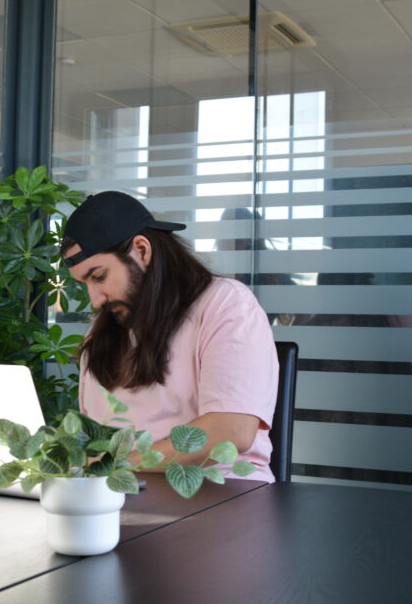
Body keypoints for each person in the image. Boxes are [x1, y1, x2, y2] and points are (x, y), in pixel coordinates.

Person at [61, 191, 278, 482]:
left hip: (221, 494)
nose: (95, 299)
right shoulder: (103, 332)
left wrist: (117, 467)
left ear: (141, 250)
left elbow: (232, 430)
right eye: (85, 283)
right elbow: (96, 441)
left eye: (99, 276)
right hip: (127, 494)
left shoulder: (225, 303)